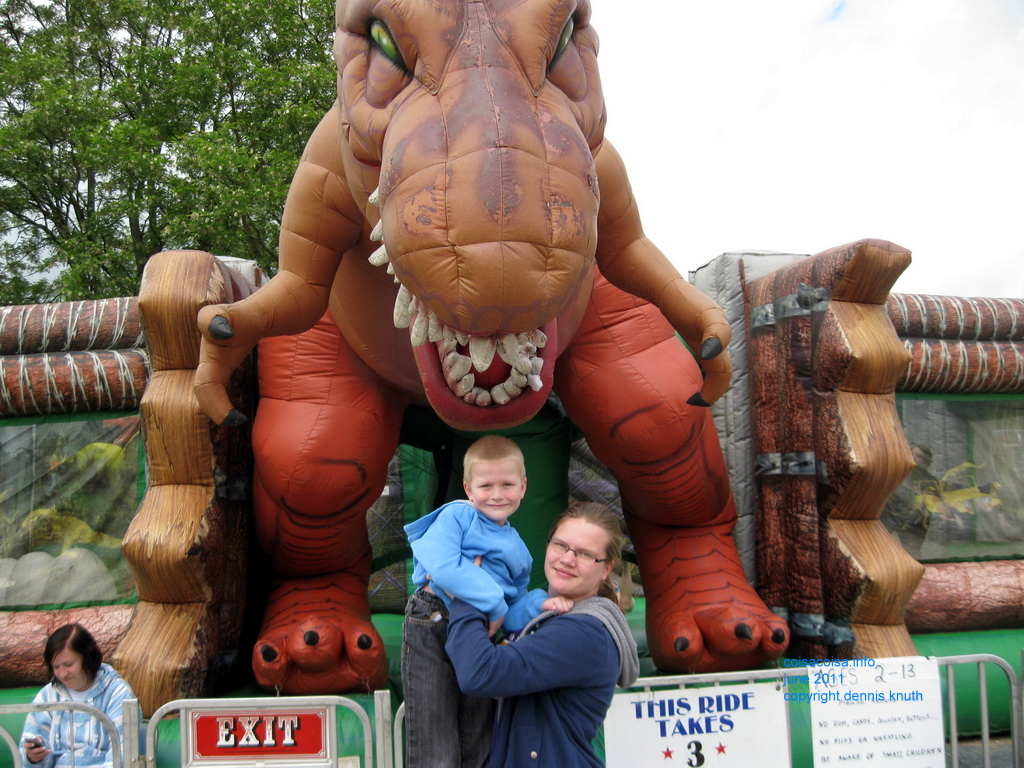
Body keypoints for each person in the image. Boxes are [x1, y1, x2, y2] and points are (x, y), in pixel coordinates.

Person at [402, 435, 572, 768]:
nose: (497, 494)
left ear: (524, 487)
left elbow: (512, 607)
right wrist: (492, 601)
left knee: (478, 736)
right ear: (468, 488)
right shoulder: (457, 516)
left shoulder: (518, 547)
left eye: (507, 484)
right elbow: (444, 568)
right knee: (436, 739)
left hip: (480, 634)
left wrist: (539, 605)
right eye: (486, 485)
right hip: (433, 619)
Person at [444, 501, 641, 768]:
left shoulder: (585, 632)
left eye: (585, 554)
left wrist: (467, 592)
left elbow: (480, 672)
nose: (567, 559)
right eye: (561, 545)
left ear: (606, 568)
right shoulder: (540, 615)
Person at [20, 623, 135, 768]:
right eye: (56, 667)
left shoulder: (117, 693)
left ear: (88, 658)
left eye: (69, 664)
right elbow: (25, 756)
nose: (62, 673)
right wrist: (33, 758)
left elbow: (124, 753)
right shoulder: (48, 695)